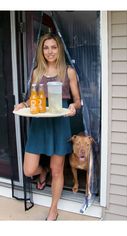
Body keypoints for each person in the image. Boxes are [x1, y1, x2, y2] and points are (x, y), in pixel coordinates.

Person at [14, 33, 81, 220]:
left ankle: (53, 209)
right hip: (39, 124)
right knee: (29, 170)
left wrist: (73, 107)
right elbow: (32, 98)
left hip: (60, 123)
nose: (50, 51)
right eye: (46, 47)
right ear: (41, 50)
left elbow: (77, 100)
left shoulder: (68, 71)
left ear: (59, 49)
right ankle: (42, 172)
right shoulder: (37, 71)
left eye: (53, 47)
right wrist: (24, 104)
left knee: (57, 170)